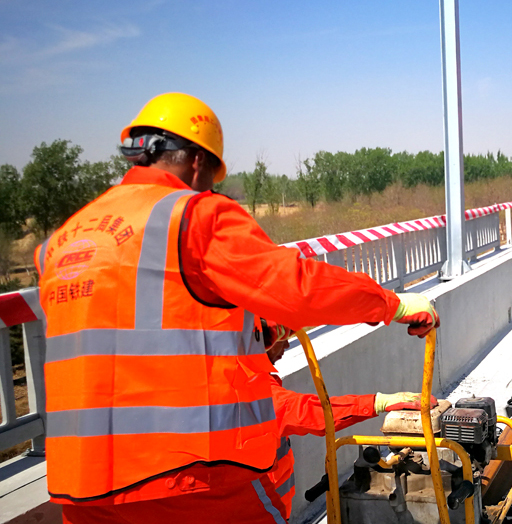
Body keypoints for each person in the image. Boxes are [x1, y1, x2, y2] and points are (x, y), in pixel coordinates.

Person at [34, 93, 440, 524]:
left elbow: (153, 329)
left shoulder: (61, 242)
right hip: (190, 477)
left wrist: (264, 329)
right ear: (197, 161)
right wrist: (392, 304)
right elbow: (297, 288)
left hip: (83, 487)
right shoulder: (190, 216)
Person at [259, 321, 430, 520]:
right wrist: (377, 403)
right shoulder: (253, 391)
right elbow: (307, 412)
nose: (288, 345)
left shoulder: (252, 379)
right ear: (257, 340)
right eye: (281, 337)